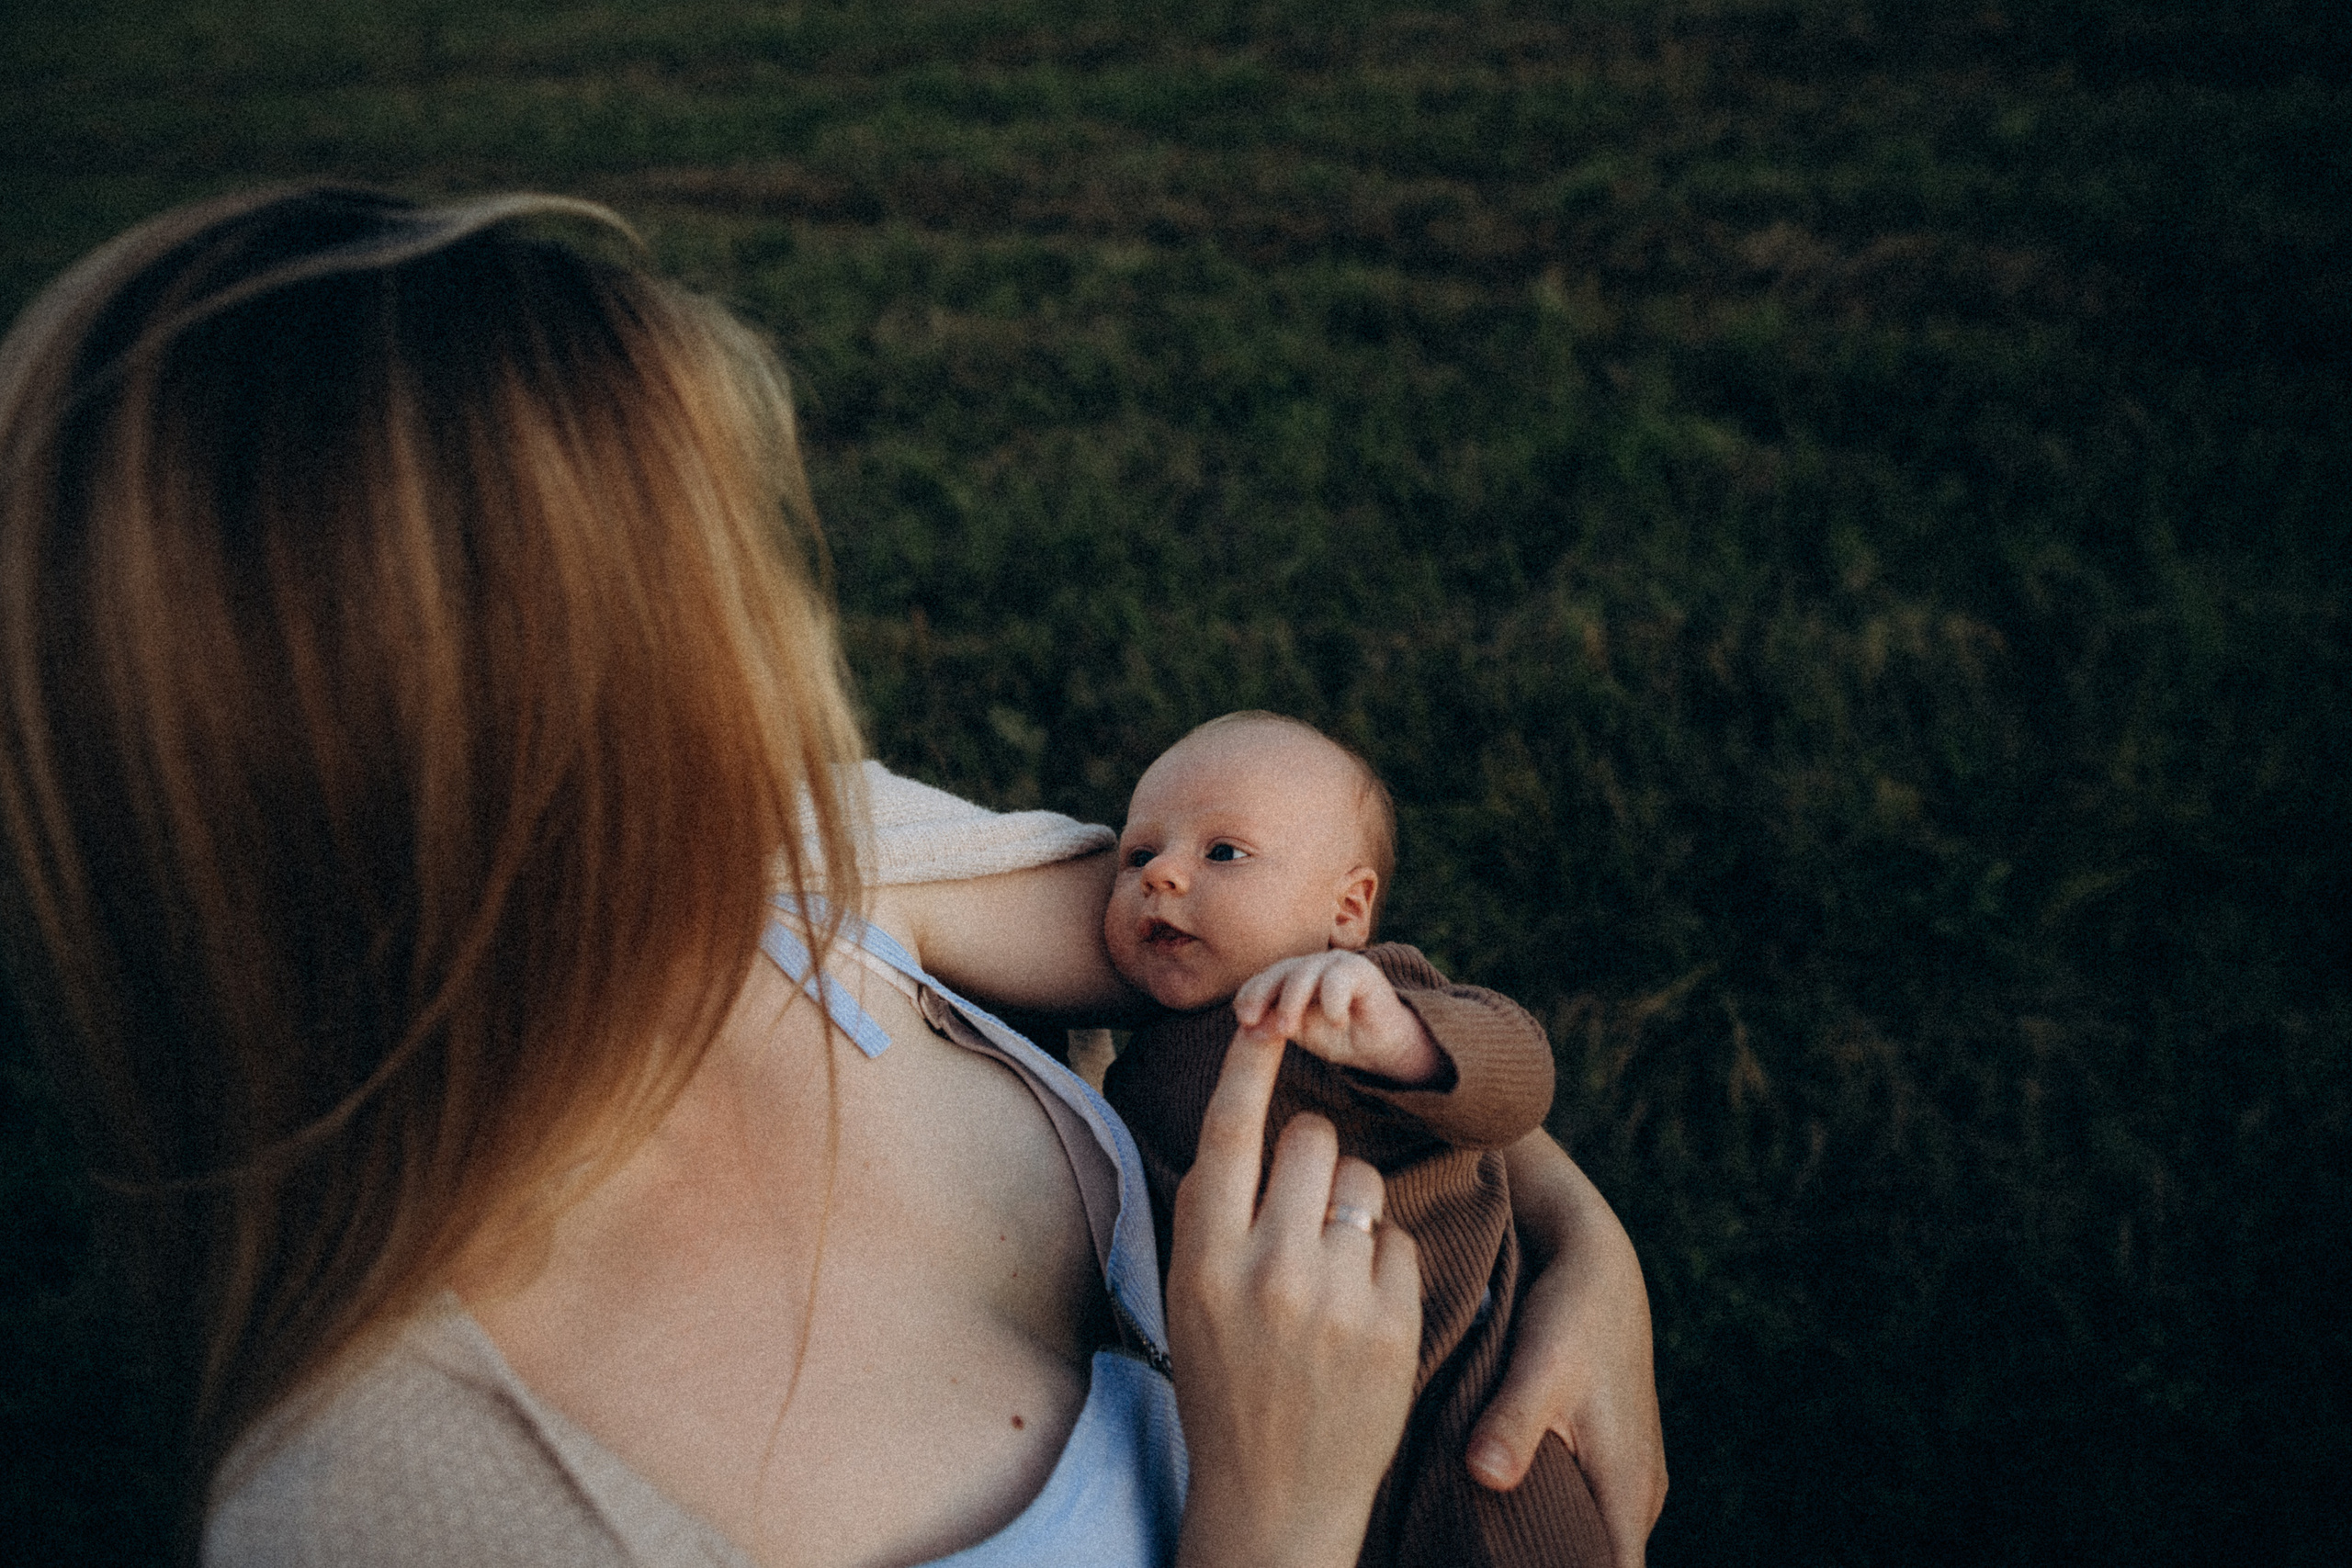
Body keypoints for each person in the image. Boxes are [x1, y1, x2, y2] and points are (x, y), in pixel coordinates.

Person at [0, 185, 1666, 1567]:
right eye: (703, 577)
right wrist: (1277, 1516)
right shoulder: (401, 1502)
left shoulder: (788, 851)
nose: (780, 647)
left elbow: (1266, 963)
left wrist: (1592, 1254)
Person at [1102, 712, 1611, 1568]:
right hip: (1265, 1428)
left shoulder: (1356, 997)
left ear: (1346, 908)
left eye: (1223, 853)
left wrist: (1405, 1041)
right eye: (1136, 856)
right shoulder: (1135, 1054)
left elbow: (1522, 1077)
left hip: (1459, 1388)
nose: (1163, 875)